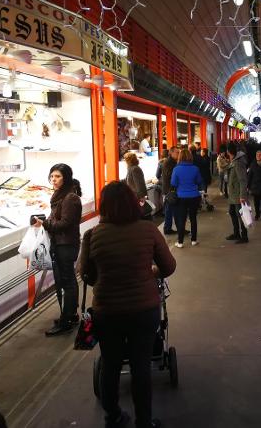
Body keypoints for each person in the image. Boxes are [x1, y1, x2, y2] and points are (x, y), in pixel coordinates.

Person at [77, 181, 176, 428]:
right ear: (133, 203)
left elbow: (86, 275)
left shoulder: (92, 235)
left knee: (110, 363)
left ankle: (113, 416)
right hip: (143, 310)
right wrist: (151, 271)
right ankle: (144, 421)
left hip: (107, 311)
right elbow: (169, 267)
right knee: (140, 365)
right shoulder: (148, 230)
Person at [33, 164, 82, 336]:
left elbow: (65, 224)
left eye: (58, 176)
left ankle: (67, 320)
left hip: (66, 245)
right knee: (66, 281)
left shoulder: (70, 198)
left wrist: (44, 223)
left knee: (67, 281)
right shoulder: (61, 195)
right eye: (52, 176)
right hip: (61, 244)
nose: (54, 179)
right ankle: (70, 314)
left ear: (66, 178)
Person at [171, 149, 203, 248]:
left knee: (182, 219)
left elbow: (173, 183)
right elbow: (199, 181)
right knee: (193, 218)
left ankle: (180, 242)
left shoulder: (176, 169)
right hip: (194, 196)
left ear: (180, 157)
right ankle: (194, 240)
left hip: (181, 197)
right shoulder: (195, 168)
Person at [226, 142, 249, 244]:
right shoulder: (234, 160)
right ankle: (236, 233)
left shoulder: (238, 163)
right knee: (232, 212)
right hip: (233, 194)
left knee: (240, 215)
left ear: (228, 152)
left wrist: (242, 196)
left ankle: (244, 236)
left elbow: (243, 180)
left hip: (238, 194)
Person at [162, 147, 179, 235]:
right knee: (169, 211)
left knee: (173, 210)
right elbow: (169, 174)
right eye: (177, 152)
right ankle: (167, 229)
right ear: (171, 153)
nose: (178, 154)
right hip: (169, 190)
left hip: (171, 189)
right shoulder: (168, 162)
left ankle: (171, 228)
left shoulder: (173, 162)